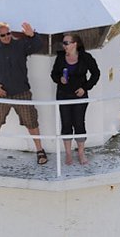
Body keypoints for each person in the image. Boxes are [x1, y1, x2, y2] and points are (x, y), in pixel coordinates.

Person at [0, 21, 47, 168]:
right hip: (2, 94)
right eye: (3, 35)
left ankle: (40, 151)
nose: (6, 37)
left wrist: (32, 35)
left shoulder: (20, 45)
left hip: (21, 92)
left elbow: (38, 45)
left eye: (8, 33)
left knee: (31, 122)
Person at [51, 33, 100, 165]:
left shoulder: (85, 57)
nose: (64, 45)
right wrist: (59, 79)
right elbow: (54, 74)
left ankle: (80, 152)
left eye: (66, 43)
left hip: (80, 96)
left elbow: (96, 73)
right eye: (63, 43)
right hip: (63, 95)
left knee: (79, 123)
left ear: (75, 44)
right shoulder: (61, 57)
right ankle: (68, 154)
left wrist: (85, 88)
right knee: (66, 123)